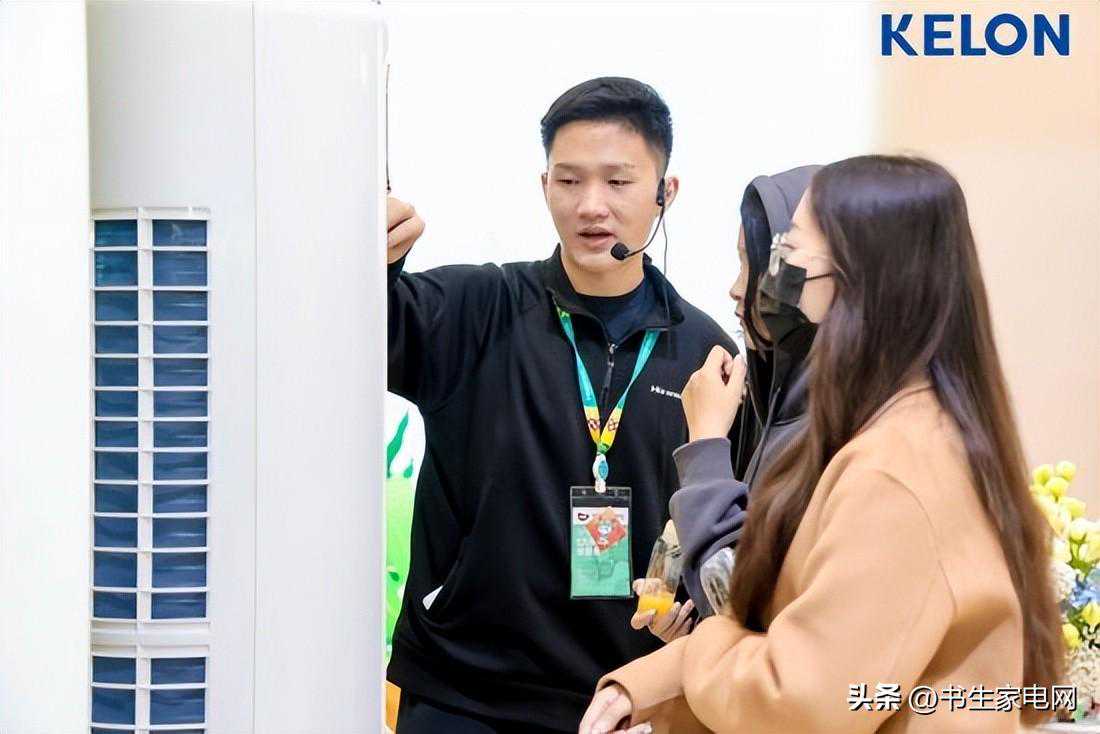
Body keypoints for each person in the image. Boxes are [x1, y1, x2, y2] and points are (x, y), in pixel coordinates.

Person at [579, 155, 1064, 733]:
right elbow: (802, 633)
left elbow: (801, 699)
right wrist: (656, 679)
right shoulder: (893, 429)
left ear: (858, 276)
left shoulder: (895, 469)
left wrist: (696, 651)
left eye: (787, 253)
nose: (764, 281)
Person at [385, 77, 740, 732]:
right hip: (461, 691)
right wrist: (370, 258)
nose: (590, 206)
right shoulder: (478, 309)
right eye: (569, 181)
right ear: (544, 185)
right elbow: (354, 333)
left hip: (619, 699)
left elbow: (728, 527)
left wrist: (688, 618)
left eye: (618, 181)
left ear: (665, 192)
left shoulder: (705, 354)